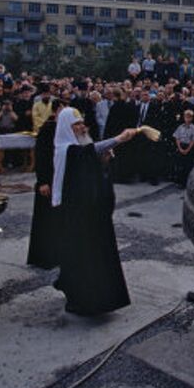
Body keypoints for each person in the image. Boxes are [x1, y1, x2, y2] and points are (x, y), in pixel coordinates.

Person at [51, 107, 137, 316]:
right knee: (80, 258)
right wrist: (118, 139)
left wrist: (104, 162)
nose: (81, 127)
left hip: (93, 212)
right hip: (77, 214)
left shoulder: (81, 148)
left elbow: (93, 170)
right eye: (76, 124)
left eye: (82, 123)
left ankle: (101, 299)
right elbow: (87, 154)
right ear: (66, 128)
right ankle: (80, 300)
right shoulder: (66, 150)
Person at [27, 99, 62, 269]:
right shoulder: (47, 129)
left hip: (60, 180)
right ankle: (42, 257)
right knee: (45, 220)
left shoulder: (65, 129)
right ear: (54, 112)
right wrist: (42, 181)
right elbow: (41, 157)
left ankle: (57, 254)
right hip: (47, 181)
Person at [173, 107, 194, 187]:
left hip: (189, 147)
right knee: (180, 164)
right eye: (186, 117)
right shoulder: (180, 126)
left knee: (187, 166)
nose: (187, 119)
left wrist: (187, 149)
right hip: (181, 146)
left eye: (189, 117)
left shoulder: (193, 128)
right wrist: (180, 148)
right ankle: (179, 181)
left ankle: (185, 182)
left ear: (192, 118)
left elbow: (193, 140)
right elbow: (177, 138)